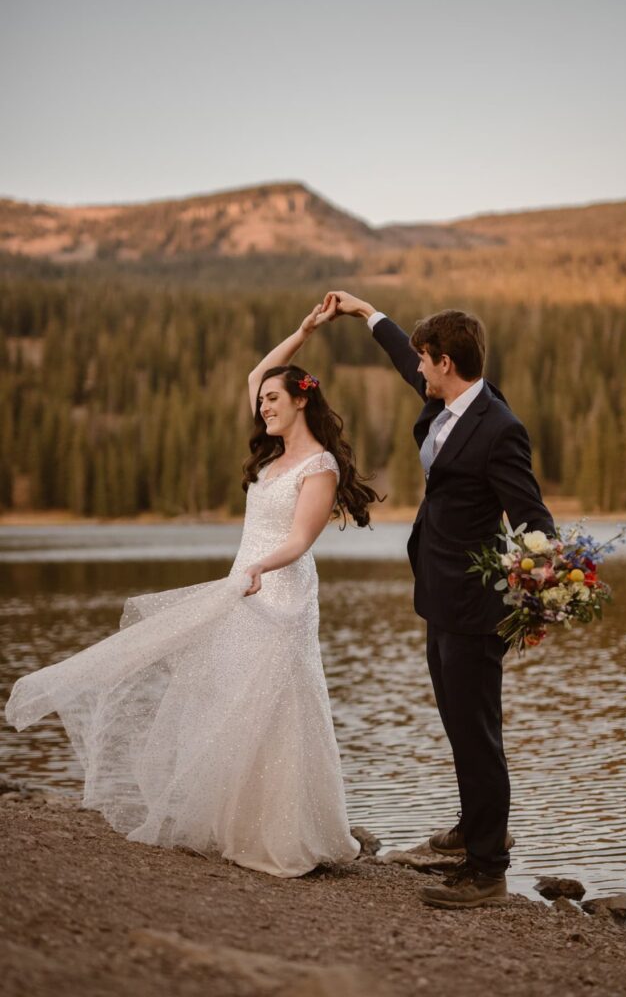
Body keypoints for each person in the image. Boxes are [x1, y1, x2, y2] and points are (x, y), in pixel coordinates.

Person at [5, 302, 381, 878]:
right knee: (232, 696)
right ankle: (233, 824)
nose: (263, 407)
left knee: (280, 701)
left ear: (302, 400)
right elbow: (256, 374)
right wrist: (305, 331)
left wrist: (260, 567)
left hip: (282, 592)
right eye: (262, 405)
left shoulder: (320, 465)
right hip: (244, 584)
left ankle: (290, 834)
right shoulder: (274, 457)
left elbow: (302, 539)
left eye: (275, 401)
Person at [319, 290, 555, 909]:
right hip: (439, 592)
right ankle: (476, 823)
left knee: (477, 732)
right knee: (458, 722)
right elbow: (404, 357)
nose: (417, 368)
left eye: (426, 360)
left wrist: (542, 596)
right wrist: (367, 314)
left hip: (477, 605)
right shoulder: (453, 396)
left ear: (446, 362)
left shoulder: (500, 428)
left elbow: (532, 517)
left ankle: (487, 867)